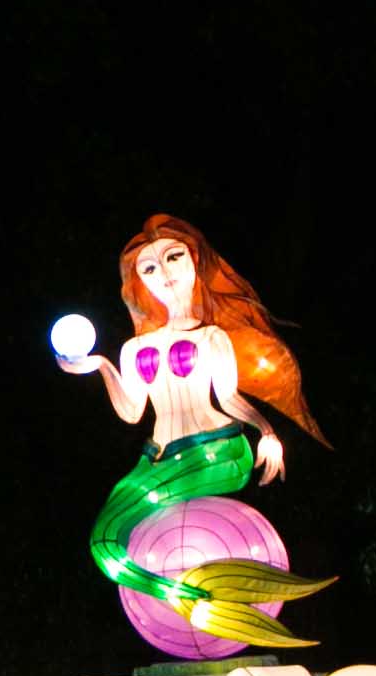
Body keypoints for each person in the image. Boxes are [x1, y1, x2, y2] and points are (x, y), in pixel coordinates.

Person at [60, 214, 332, 648]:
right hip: (159, 458)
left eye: (173, 257)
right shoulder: (135, 349)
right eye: (149, 268)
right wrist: (101, 367)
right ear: (139, 282)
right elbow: (132, 413)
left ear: (196, 262)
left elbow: (228, 399)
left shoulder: (212, 338)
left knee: (110, 535)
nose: (164, 274)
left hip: (218, 452)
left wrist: (268, 433)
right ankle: (188, 596)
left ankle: (194, 596)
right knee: (103, 543)